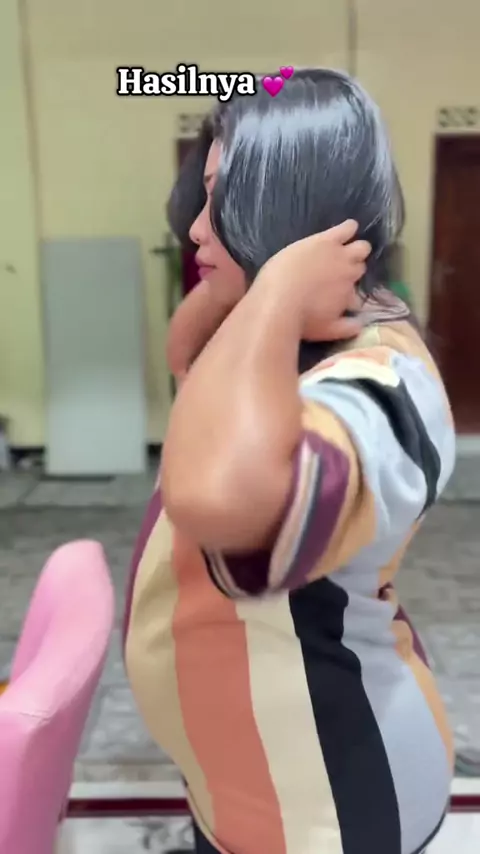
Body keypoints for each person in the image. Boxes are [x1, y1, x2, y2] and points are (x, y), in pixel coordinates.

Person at [123, 68, 455, 854]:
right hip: (254, 791)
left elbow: (221, 499)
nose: (195, 231)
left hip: (333, 807)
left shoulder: (380, 381)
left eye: (220, 201)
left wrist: (272, 289)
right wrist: (259, 292)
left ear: (287, 209)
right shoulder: (284, 341)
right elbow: (188, 358)